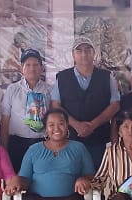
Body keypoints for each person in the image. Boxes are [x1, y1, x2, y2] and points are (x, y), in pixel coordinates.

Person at [50, 37, 121, 169]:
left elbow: (115, 105)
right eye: (79, 50)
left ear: (94, 53)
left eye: (88, 50)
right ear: (73, 55)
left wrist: (93, 125)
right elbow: (55, 105)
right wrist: (76, 125)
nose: (84, 54)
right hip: (69, 139)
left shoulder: (107, 77)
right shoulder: (62, 77)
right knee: (71, 175)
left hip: (99, 139)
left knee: (97, 175)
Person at [0, 48, 52, 172]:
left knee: (39, 177)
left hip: (42, 143)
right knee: (18, 178)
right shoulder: (12, 90)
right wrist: (4, 149)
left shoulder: (49, 90)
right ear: (21, 68)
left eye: (35, 65)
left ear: (41, 68)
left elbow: (54, 119)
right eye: (27, 65)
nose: (32, 68)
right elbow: (5, 121)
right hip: (17, 143)